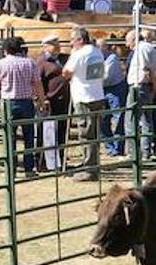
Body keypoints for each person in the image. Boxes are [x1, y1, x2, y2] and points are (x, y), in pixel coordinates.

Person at [0, 36, 46, 177]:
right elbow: (37, 84)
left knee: (10, 137)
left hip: (9, 103)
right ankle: (28, 169)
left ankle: (11, 169)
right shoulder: (30, 63)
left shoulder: (2, 64)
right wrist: (41, 101)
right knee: (28, 136)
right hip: (26, 102)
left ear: (6, 50)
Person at [62, 27, 106, 180]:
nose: (70, 43)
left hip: (84, 96)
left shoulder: (78, 54)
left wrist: (71, 56)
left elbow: (65, 73)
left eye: (72, 40)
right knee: (94, 133)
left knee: (86, 134)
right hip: (97, 94)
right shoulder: (97, 52)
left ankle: (90, 170)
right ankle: (92, 164)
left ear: (80, 40)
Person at [126, 25, 156, 160]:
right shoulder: (152, 49)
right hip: (148, 88)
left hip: (139, 86)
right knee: (147, 119)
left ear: (134, 39)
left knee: (131, 120)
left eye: (128, 41)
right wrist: (155, 86)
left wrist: (154, 85)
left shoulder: (141, 49)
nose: (127, 44)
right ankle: (146, 151)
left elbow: (146, 69)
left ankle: (134, 153)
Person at [36, 35, 70, 171]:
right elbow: (37, 82)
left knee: (61, 131)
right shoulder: (41, 62)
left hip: (63, 101)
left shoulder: (63, 59)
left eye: (57, 43)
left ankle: (59, 161)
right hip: (49, 101)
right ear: (45, 47)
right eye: (52, 43)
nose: (57, 45)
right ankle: (42, 163)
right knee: (46, 132)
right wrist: (42, 99)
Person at [101, 41, 129, 156]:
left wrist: (90, 80)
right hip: (103, 90)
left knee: (118, 117)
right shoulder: (99, 59)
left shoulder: (112, 58)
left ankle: (118, 148)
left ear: (105, 48)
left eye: (99, 48)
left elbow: (105, 77)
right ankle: (109, 147)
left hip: (115, 89)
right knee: (103, 120)